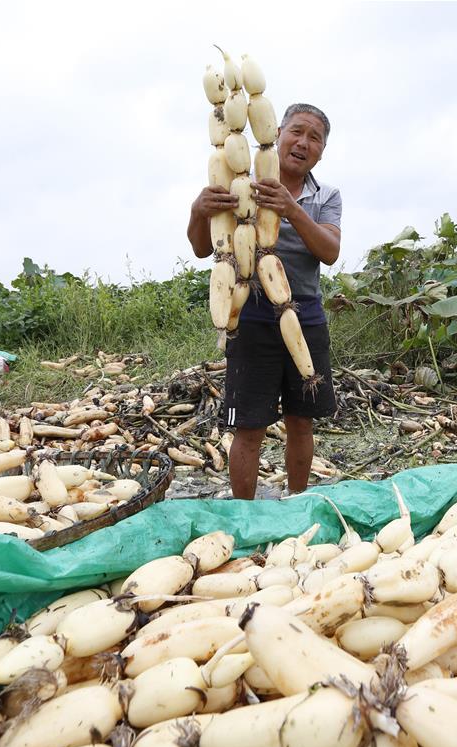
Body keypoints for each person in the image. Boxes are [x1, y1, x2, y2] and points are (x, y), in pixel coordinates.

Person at [188, 103, 341, 500]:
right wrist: (197, 212)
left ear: (322, 151)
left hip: (305, 317)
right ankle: (244, 513)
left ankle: (296, 501)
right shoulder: (241, 182)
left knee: (301, 420)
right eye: (297, 131)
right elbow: (205, 249)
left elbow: (329, 251)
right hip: (251, 315)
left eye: (315, 138)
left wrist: (290, 209)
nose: (303, 143)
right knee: (249, 426)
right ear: (276, 131)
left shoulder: (326, 196)